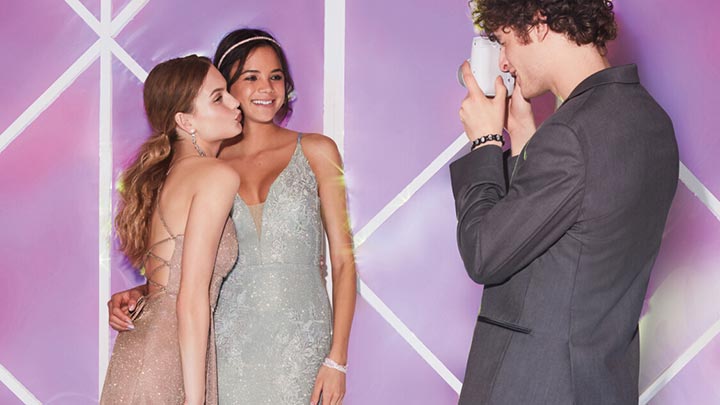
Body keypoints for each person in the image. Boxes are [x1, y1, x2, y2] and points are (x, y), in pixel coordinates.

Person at [108, 29, 357, 405]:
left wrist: (337, 359)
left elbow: (342, 260)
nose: (267, 88)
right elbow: (192, 274)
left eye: (276, 76)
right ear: (226, 87)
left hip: (304, 345)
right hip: (223, 350)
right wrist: (145, 292)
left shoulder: (318, 151)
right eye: (250, 77)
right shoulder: (207, 167)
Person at [451, 1, 678, 404]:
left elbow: (484, 251)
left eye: (504, 41)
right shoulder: (652, 122)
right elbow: (571, 238)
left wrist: (485, 143)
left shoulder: (572, 135)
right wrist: (523, 136)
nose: (504, 60)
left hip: (530, 387)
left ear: (537, 23)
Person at [101, 55, 242, 404]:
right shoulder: (216, 175)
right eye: (218, 97)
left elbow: (169, 280)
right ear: (185, 120)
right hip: (171, 364)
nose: (235, 101)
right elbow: (191, 298)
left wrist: (139, 291)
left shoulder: (166, 176)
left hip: (147, 356)